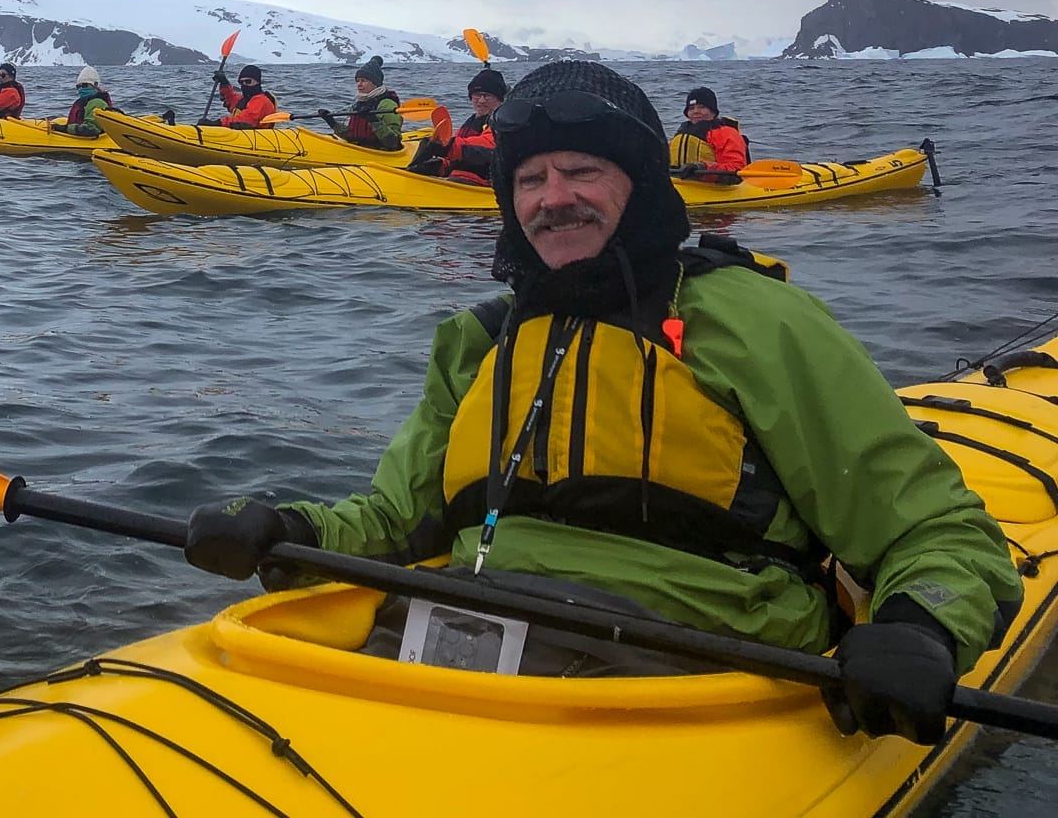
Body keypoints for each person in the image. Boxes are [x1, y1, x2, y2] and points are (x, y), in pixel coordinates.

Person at [185, 60, 1020, 744]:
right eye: (533, 179)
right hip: (462, 641)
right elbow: (396, 518)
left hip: (691, 665)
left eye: (584, 171)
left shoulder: (755, 321)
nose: (554, 197)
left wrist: (920, 628)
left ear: (642, 187)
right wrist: (291, 528)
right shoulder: (479, 340)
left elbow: (934, 533)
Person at [408, 67, 506, 182]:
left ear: (499, 99)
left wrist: (449, 146)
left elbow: (488, 146)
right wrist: (440, 166)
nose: (481, 101)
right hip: (462, 178)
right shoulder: (472, 122)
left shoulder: (503, 121)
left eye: (488, 96)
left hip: (484, 183)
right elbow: (459, 157)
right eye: (477, 95)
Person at [317, 55, 403, 150]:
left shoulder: (387, 104)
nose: (359, 84)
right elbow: (351, 136)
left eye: (363, 80)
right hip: (359, 150)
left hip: (380, 152)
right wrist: (331, 122)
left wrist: (374, 121)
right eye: (357, 81)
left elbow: (394, 143)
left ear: (374, 83)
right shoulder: (360, 103)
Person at [671, 86, 750, 172]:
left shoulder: (727, 134)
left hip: (714, 183)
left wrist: (703, 167)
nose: (696, 111)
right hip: (680, 181)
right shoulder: (681, 133)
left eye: (702, 107)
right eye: (691, 108)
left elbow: (736, 167)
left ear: (713, 111)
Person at [51, 66, 112, 137]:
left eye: (84, 85)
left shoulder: (97, 103)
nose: (81, 89)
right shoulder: (85, 102)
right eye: (78, 86)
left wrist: (65, 129)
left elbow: (91, 129)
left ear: (95, 85)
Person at [211, 64, 279, 127]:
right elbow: (230, 98)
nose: (244, 84)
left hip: (258, 136)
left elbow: (246, 119)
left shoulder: (261, 100)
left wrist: (219, 123)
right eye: (241, 82)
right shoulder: (246, 99)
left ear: (257, 82)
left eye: (248, 81)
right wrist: (224, 83)